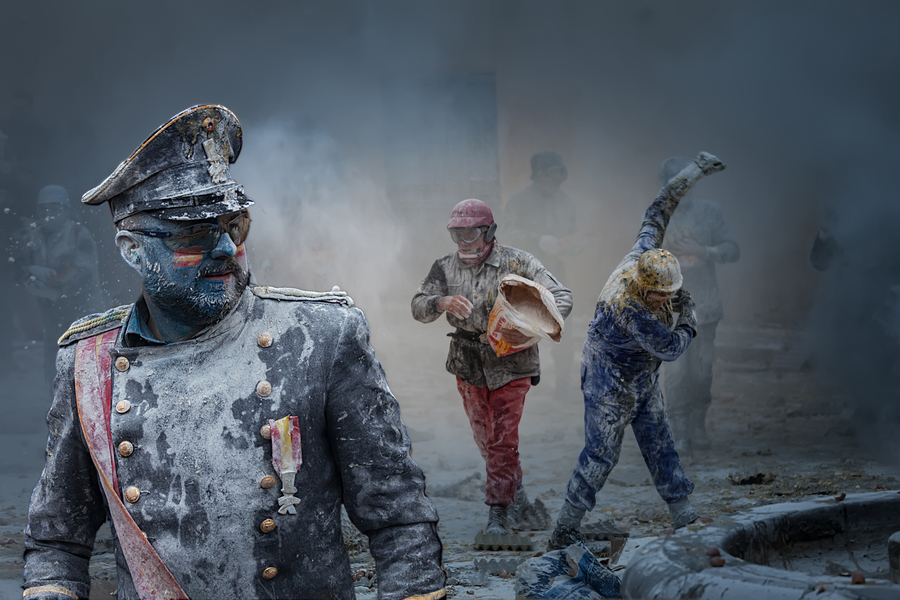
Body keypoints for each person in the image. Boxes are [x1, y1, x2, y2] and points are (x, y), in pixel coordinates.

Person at [22, 105, 446, 600]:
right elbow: (56, 542)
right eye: (194, 233)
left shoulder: (321, 338)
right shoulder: (89, 363)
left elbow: (400, 522)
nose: (225, 248)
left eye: (234, 226)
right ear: (132, 249)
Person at [548, 152, 726, 550]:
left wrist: (693, 171)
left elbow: (659, 209)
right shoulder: (630, 308)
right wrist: (688, 319)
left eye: (672, 293)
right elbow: (671, 348)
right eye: (661, 296)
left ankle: (683, 515)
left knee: (660, 441)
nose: (667, 300)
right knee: (602, 454)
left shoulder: (644, 253)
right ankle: (565, 527)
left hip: (640, 374)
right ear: (644, 287)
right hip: (607, 379)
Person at [411, 198, 573, 537]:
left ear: (489, 231)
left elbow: (562, 297)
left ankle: (497, 514)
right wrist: (441, 302)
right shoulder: (444, 267)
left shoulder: (518, 262)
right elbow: (418, 306)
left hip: (512, 362)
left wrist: (532, 328)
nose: (463, 242)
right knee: (485, 439)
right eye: (456, 235)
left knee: (502, 439)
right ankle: (518, 498)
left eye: (471, 234)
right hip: (468, 361)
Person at [658, 156, 740, 453]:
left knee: (702, 371)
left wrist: (703, 251)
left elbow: (732, 250)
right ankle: (679, 429)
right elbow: (639, 257)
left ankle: (698, 425)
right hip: (669, 308)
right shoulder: (656, 214)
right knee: (676, 372)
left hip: (704, 304)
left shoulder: (710, 212)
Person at [503, 150, 581, 392]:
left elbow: (573, 234)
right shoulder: (519, 201)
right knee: (518, 328)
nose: (555, 180)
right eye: (550, 175)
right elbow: (506, 235)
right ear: (537, 175)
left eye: (559, 175)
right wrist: (537, 240)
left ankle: (562, 384)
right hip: (523, 276)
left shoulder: (566, 202)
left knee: (561, 326)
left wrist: (573, 246)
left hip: (554, 273)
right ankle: (515, 383)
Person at [14, 184, 103, 383]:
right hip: (52, 313)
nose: (48, 215)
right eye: (43, 210)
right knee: (54, 363)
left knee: (82, 363)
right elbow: (17, 267)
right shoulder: (33, 236)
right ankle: (52, 399)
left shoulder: (78, 234)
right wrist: (31, 270)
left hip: (82, 310)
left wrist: (57, 291)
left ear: (66, 210)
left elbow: (85, 276)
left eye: (53, 209)